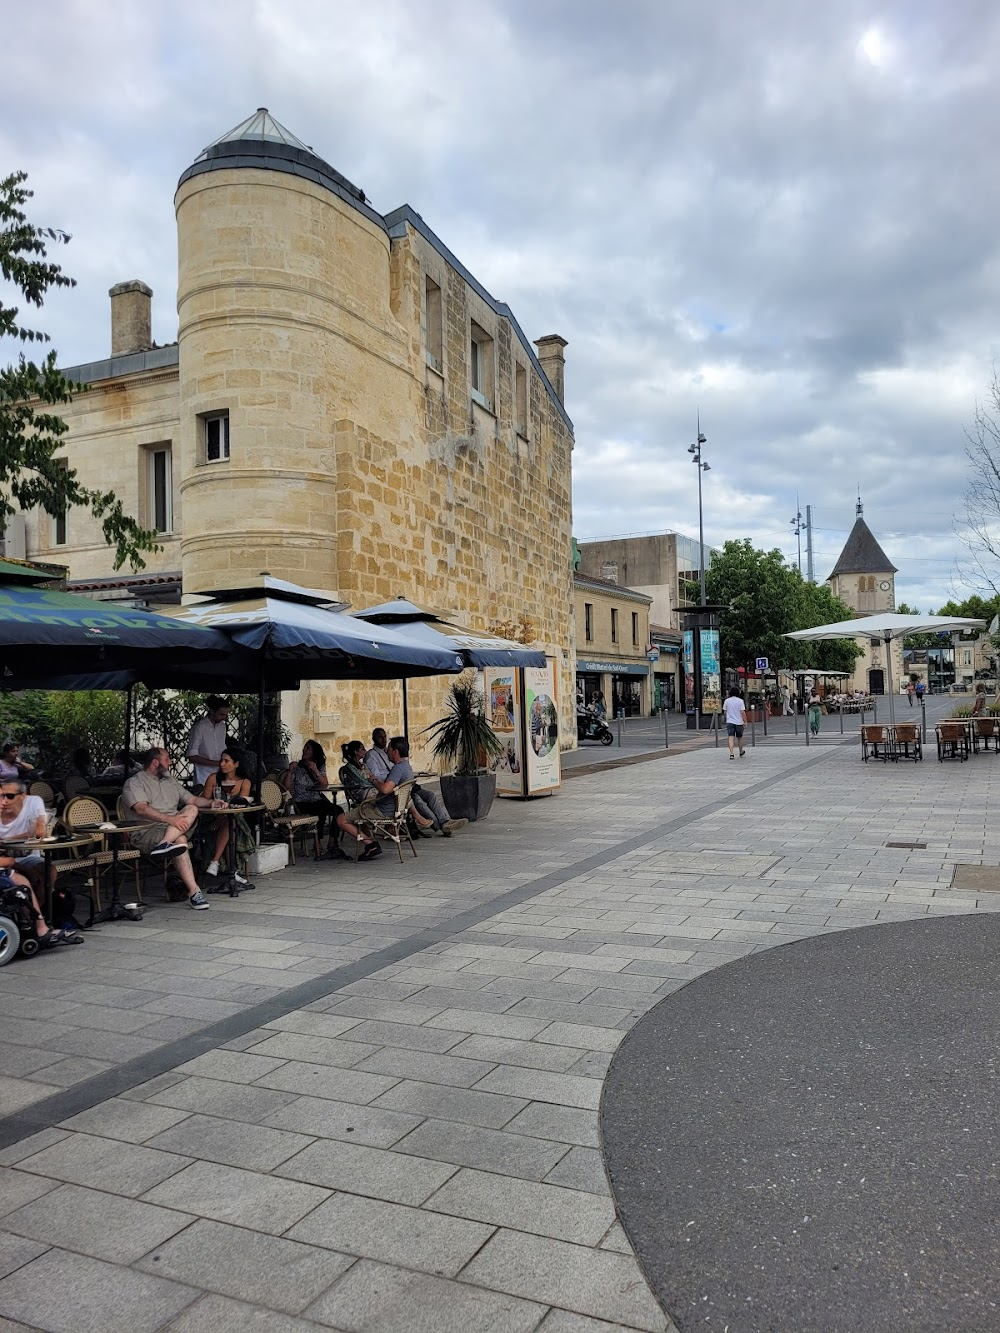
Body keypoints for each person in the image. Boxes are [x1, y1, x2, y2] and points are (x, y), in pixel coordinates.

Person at [123, 747, 227, 910]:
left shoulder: (169, 781)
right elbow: (141, 809)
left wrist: (211, 802)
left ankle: (164, 843)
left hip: (173, 826)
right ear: (155, 762)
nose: (171, 762)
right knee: (180, 840)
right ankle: (194, 892)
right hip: (147, 832)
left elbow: (192, 799)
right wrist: (170, 819)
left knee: (192, 809)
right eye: (167, 759)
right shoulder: (134, 782)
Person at [368, 726, 464, 836]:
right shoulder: (372, 756)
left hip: (404, 784)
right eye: (380, 737)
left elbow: (398, 770)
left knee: (430, 795)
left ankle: (446, 820)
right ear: (373, 738)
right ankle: (441, 826)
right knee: (418, 800)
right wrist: (393, 777)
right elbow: (376, 776)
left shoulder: (396, 758)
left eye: (384, 736)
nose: (383, 739)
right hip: (395, 787)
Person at [337, 735, 415, 859]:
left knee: (341, 819)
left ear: (395, 752)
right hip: (394, 809)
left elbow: (385, 789)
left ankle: (370, 844)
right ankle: (371, 842)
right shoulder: (407, 767)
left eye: (389, 749)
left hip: (382, 811)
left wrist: (374, 780)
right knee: (360, 812)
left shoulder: (398, 769)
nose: (386, 751)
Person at [202, 749, 253, 883]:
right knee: (230, 826)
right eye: (221, 760)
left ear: (236, 764)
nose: (222, 764)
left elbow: (240, 805)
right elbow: (203, 802)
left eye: (226, 761)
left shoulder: (244, 782)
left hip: (235, 818)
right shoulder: (213, 779)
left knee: (230, 822)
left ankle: (215, 862)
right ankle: (233, 872)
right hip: (212, 818)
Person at [283, 740, 338, 846]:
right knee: (321, 810)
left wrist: (316, 770)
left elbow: (324, 785)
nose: (304, 750)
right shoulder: (297, 767)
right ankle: (317, 842)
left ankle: (332, 841)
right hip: (302, 802)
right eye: (305, 748)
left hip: (316, 799)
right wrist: (289, 771)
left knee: (338, 811)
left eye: (308, 748)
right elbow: (286, 787)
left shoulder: (319, 766)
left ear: (314, 752)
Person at [185, 695, 231, 789]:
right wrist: (216, 763)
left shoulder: (222, 726)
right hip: (203, 775)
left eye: (226, 715)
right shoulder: (199, 727)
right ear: (212, 711)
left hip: (221, 774)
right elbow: (191, 756)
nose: (224, 718)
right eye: (221, 714)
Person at [723, 687, 747, 759]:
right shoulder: (740, 701)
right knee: (740, 737)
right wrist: (745, 721)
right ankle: (741, 751)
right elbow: (742, 712)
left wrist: (728, 717)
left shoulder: (727, 701)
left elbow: (725, 711)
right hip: (739, 722)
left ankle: (731, 753)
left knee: (731, 737)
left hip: (730, 721)